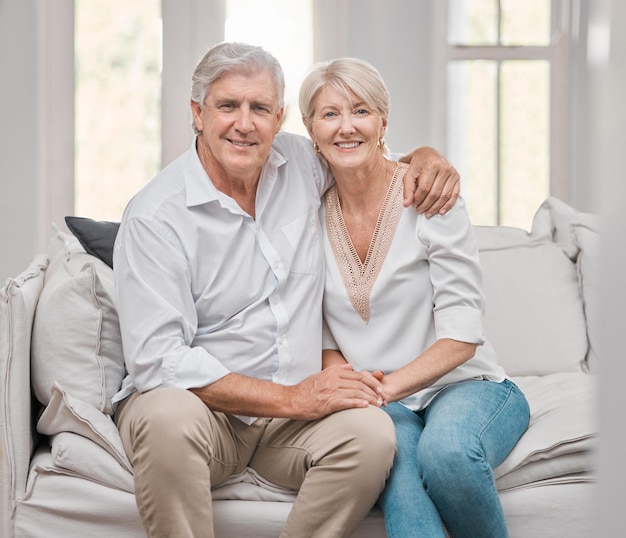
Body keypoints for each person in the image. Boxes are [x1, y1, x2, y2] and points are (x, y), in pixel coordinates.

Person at [111, 41, 461, 538]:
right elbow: (157, 360)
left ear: (279, 118)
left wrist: (426, 158)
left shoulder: (301, 163)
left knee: (372, 433)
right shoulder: (155, 216)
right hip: (204, 413)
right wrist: (293, 398)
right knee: (165, 414)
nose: (244, 123)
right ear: (198, 113)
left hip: (290, 425)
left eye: (259, 108)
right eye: (228, 105)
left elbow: (366, 161)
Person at [299, 57, 531, 538]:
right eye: (330, 114)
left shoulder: (429, 196)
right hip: (383, 403)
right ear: (310, 128)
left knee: (446, 453)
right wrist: (360, 392)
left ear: (384, 121)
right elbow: (318, 333)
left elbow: (463, 337)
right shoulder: (303, 216)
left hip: (467, 384)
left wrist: (383, 389)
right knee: (399, 473)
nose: (346, 127)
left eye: (361, 111)